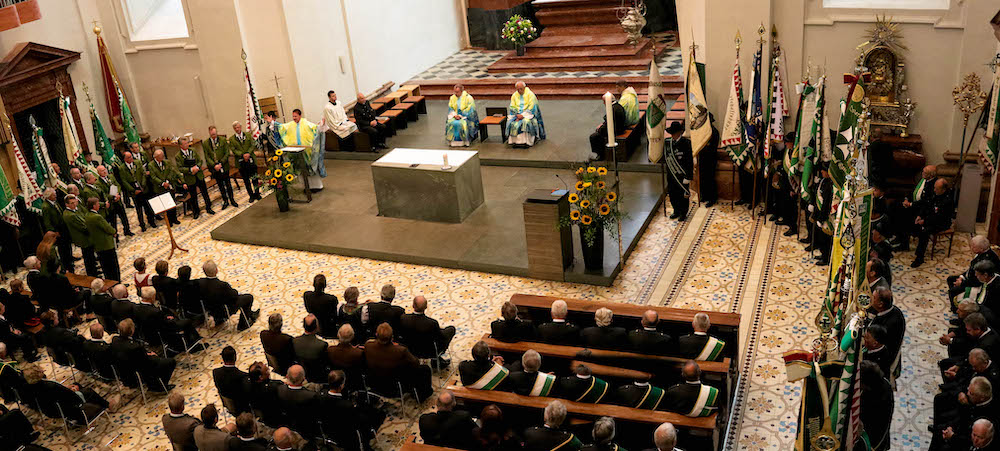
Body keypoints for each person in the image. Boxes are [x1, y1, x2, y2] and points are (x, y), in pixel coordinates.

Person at [21, 363, 109, 426]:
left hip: (50, 411)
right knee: (88, 391)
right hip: (69, 407)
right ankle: (106, 406)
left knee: (76, 384)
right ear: (39, 373)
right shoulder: (51, 386)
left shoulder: (28, 388)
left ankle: (87, 409)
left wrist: (68, 388)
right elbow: (72, 397)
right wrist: (74, 390)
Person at [316, 369, 385, 448]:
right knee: (378, 415)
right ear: (342, 385)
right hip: (348, 434)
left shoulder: (320, 396)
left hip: (330, 429)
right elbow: (356, 422)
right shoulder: (347, 405)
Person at [364, 323, 432, 401]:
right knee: (425, 369)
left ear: (376, 334)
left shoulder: (368, 345)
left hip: (374, 384)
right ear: (392, 337)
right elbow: (416, 363)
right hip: (395, 389)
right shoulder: (401, 350)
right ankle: (422, 395)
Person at [110, 318, 176, 391]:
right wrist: (153, 356)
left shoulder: (115, 340)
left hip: (125, 371)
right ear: (132, 330)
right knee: (171, 362)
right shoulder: (135, 347)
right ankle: (159, 386)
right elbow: (146, 362)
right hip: (138, 371)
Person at [199, 260, 259, 330]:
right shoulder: (222, 285)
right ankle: (243, 324)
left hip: (210, 310)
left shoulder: (200, 283)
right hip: (225, 311)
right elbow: (234, 296)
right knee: (248, 297)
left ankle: (218, 320)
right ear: (216, 270)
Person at [911, 178, 955, 268]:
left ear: (943, 190)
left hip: (942, 223)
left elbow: (940, 217)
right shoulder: (935, 194)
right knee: (913, 223)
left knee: (925, 232)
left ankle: (920, 257)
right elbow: (927, 205)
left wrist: (924, 221)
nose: (934, 190)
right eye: (934, 188)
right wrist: (920, 216)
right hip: (931, 218)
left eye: (937, 188)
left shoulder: (948, 201)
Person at [893, 164, 938, 252]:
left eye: (924, 172)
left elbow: (925, 201)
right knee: (896, 207)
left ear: (930, 175)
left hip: (922, 209)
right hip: (914, 204)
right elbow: (914, 191)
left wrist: (910, 204)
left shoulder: (933, 184)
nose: (922, 173)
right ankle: (899, 237)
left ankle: (904, 244)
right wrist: (906, 199)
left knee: (905, 216)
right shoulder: (923, 180)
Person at [399, 295, 456, 363]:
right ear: (426, 307)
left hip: (409, 349)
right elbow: (440, 338)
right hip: (428, 352)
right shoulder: (432, 323)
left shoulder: (403, 318)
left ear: (413, 305)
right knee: (451, 329)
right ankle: (437, 361)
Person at [118, 146, 158, 231]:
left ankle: (151, 221)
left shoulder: (138, 163)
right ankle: (142, 225)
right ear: (125, 159)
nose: (131, 158)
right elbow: (124, 181)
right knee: (139, 209)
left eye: (131, 156)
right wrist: (133, 190)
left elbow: (143, 174)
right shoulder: (122, 168)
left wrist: (143, 185)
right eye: (129, 157)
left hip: (143, 188)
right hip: (134, 191)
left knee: (148, 206)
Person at [868, 286, 906, 374]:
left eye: (873, 298)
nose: (870, 298)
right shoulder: (893, 310)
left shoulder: (887, 326)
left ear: (880, 304)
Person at [175, 137, 215, 219]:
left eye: (187, 143)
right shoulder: (178, 156)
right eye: (185, 143)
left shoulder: (193, 150)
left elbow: (200, 161)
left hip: (199, 175)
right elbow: (180, 168)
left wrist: (197, 167)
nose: (187, 145)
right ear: (180, 145)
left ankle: (208, 207)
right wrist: (190, 170)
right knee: (193, 196)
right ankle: (196, 211)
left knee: (204, 192)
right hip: (190, 178)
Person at [952, 236, 1000, 301]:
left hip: (977, 283)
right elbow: (971, 268)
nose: (971, 248)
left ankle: (957, 308)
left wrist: (961, 283)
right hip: (971, 277)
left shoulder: (986, 261)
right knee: (951, 279)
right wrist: (961, 277)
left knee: (952, 290)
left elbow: (977, 280)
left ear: (981, 249)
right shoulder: (981, 253)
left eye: (974, 247)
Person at [275, 365, 319, 434]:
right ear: (304, 379)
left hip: (286, 424)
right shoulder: (311, 396)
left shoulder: (279, 389)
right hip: (305, 429)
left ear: (287, 376)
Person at [85, 196, 120, 281]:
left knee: (105, 267)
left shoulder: (87, 215)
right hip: (106, 244)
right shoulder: (97, 217)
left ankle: (109, 282)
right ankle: (117, 283)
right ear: (93, 206)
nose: (99, 205)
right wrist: (114, 232)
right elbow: (107, 228)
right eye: (97, 204)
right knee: (113, 267)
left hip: (98, 245)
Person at [589, 83, 627, 160]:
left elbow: (609, 125)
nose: (603, 104)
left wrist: (599, 129)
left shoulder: (612, 109)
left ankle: (600, 155)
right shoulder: (618, 106)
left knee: (594, 137)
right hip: (620, 127)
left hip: (617, 130)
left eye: (604, 102)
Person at [62, 194, 98, 276]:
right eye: (71, 203)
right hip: (83, 239)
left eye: (75, 202)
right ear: (67, 204)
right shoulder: (69, 215)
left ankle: (94, 270)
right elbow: (82, 226)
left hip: (86, 237)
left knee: (91, 256)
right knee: (88, 258)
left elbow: (84, 216)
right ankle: (92, 274)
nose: (74, 205)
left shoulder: (75, 210)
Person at [664, 121, 693, 221]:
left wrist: (688, 176)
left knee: (683, 195)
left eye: (674, 133)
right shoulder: (668, 143)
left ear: (679, 133)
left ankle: (683, 213)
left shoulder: (686, 143)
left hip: (682, 175)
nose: (672, 135)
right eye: (671, 133)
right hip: (672, 174)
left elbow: (689, 161)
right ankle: (676, 210)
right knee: (673, 194)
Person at [39, 188, 73, 271]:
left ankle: (70, 263)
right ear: (48, 196)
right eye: (54, 195)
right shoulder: (46, 207)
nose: (56, 196)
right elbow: (47, 222)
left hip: (63, 229)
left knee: (68, 247)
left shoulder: (55, 202)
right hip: (57, 231)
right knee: (63, 250)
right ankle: (66, 267)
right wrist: (54, 232)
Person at [204, 125, 238, 209]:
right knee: (220, 185)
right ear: (209, 134)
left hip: (224, 165)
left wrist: (221, 163)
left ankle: (232, 199)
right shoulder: (206, 143)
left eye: (215, 134)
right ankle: (225, 200)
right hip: (214, 168)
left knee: (228, 184)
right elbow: (207, 156)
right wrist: (214, 165)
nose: (214, 136)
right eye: (212, 135)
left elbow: (227, 152)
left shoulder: (222, 140)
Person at [506, 81, 545, 148]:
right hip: (517, 115)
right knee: (511, 122)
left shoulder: (530, 95)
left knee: (525, 122)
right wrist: (517, 115)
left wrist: (523, 115)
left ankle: (527, 141)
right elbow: (512, 106)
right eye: (517, 89)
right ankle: (514, 141)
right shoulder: (514, 95)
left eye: (521, 89)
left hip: (528, 114)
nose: (519, 91)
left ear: (524, 87)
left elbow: (532, 107)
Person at [213, 346, 250, 415]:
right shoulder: (242, 376)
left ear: (223, 358)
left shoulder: (215, 372)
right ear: (235, 358)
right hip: (242, 409)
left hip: (227, 405)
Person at [97, 164, 132, 237]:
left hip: (118, 200)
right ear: (98, 172)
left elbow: (117, 185)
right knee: (113, 221)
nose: (104, 171)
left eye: (105, 169)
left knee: (124, 217)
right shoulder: (98, 183)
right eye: (102, 171)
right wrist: (113, 197)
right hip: (111, 204)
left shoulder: (111, 176)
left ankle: (127, 231)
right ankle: (115, 236)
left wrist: (118, 193)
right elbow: (103, 193)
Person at [326, 324, 365, 390]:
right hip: (353, 383)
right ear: (352, 336)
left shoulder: (330, 350)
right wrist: (355, 350)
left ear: (338, 335)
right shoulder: (358, 353)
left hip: (335, 381)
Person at [148, 149, 181, 225]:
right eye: (161, 156)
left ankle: (174, 218)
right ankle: (169, 221)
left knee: (172, 203)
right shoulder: (151, 165)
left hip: (168, 185)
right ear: (156, 157)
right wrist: (162, 183)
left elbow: (170, 172)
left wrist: (167, 182)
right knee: (166, 205)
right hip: (160, 188)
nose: (162, 157)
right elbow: (153, 177)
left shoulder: (167, 162)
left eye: (163, 156)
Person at [230, 121, 261, 202]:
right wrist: (243, 155)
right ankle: (251, 195)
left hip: (251, 159)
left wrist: (248, 153)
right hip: (241, 162)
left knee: (255, 178)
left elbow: (252, 144)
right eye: (235, 128)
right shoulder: (232, 139)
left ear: (241, 127)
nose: (237, 129)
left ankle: (257, 193)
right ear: (234, 129)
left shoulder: (247, 135)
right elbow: (233, 150)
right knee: (246, 180)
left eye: (238, 127)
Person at [292, 314, 329, 382]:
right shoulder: (322, 345)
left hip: (302, 373)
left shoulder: (295, 341)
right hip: (318, 376)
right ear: (317, 327)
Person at [810, 162, 834, 266]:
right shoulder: (824, 181)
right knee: (821, 237)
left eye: (823, 171)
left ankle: (826, 258)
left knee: (826, 239)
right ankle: (823, 254)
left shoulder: (830, 185)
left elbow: (827, 203)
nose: (821, 172)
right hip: (819, 213)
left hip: (826, 216)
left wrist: (822, 218)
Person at [303, 274, 338, 338]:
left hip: (313, 324)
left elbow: (308, 310)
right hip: (327, 327)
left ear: (313, 284)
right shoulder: (332, 299)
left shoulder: (307, 295)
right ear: (325, 286)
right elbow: (334, 315)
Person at [698, 116, 720, 208]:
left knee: (710, 178)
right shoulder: (703, 132)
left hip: (710, 159)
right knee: (703, 177)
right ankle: (704, 195)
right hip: (703, 158)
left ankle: (712, 198)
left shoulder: (714, 132)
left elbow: (712, 147)